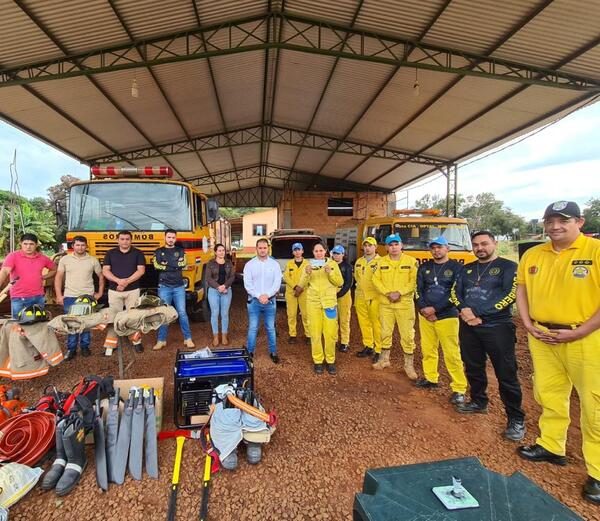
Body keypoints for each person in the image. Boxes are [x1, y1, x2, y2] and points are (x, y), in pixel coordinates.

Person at [515, 201, 600, 504]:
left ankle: (598, 473)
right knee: (548, 393)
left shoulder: (595, 251)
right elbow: (522, 290)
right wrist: (527, 323)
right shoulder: (534, 254)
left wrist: (579, 331)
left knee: (594, 405)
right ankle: (552, 445)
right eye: (549, 221)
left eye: (563, 221)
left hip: (585, 338)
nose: (554, 227)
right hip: (542, 335)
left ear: (580, 221)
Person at [450, 230, 525, 441]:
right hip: (468, 326)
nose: (479, 248)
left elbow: (510, 294)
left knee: (506, 372)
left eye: (484, 244)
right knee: (473, 366)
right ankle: (478, 401)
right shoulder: (467, 269)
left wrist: (479, 313)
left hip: (497, 326)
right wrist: (465, 310)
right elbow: (456, 293)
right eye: (475, 245)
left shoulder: (509, 267)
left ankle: (515, 418)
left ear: (495, 243)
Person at [415, 237, 467, 405]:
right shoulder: (425, 267)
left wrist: (435, 310)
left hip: (447, 316)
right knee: (428, 349)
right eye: (433, 248)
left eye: (439, 247)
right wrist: (424, 309)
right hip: (425, 315)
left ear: (447, 248)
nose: (436, 250)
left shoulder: (457, 268)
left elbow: (456, 293)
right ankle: (431, 378)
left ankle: (459, 388)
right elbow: (418, 289)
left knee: (452, 353)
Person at [371, 234, 418, 379]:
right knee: (385, 332)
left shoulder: (411, 261)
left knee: (407, 335)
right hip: (386, 303)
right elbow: (375, 280)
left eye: (396, 244)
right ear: (386, 247)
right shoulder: (380, 262)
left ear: (401, 245)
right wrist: (387, 293)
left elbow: (414, 281)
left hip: (404, 304)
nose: (393, 247)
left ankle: (408, 365)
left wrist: (399, 293)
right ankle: (384, 360)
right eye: (390, 245)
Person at [54, 236, 104, 360]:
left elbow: (101, 277)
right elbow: (58, 277)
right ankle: (71, 349)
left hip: (87, 297)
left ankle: (85, 347)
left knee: (86, 322)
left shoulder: (93, 260)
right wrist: (59, 295)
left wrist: (100, 293)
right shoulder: (65, 259)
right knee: (71, 323)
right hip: (70, 296)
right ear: (73, 246)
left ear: (86, 246)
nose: (80, 247)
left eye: (82, 245)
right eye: (77, 245)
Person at [299, 242, 343, 374]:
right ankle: (318, 360)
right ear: (313, 253)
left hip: (329, 303)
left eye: (321, 250)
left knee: (330, 334)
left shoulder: (332, 264)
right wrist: (306, 274)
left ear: (325, 251)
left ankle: (330, 361)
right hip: (313, 304)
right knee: (315, 333)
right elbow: (301, 285)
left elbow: (340, 282)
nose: (319, 253)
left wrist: (330, 273)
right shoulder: (307, 265)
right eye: (316, 251)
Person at [102, 231, 146, 355]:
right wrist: (118, 281)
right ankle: (111, 345)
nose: (125, 241)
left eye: (127, 239)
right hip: (114, 291)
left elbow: (141, 271)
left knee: (133, 317)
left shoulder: (138, 253)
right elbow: (105, 271)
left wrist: (126, 282)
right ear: (118, 240)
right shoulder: (110, 253)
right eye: (122, 239)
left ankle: (136, 342)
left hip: (133, 290)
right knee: (114, 317)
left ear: (131, 240)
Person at [152, 229, 195, 351]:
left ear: (176, 239)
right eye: (169, 237)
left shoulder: (180, 250)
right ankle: (161, 340)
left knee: (182, 312)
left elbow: (183, 264)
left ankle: (188, 338)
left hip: (179, 286)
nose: (171, 239)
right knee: (164, 313)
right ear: (165, 237)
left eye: (173, 237)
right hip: (164, 287)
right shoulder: (159, 251)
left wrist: (167, 264)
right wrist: (175, 264)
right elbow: (156, 266)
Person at [243, 238, 282, 363]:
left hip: (270, 301)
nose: (262, 250)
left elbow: (277, 283)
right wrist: (259, 295)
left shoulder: (274, 264)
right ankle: (250, 352)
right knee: (253, 328)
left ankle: (273, 352)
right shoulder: (249, 265)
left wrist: (267, 295)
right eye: (260, 248)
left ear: (268, 249)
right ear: (256, 249)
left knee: (270, 328)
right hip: (254, 301)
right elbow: (248, 284)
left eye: (265, 248)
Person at [0, 233, 56, 319]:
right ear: (21, 244)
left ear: (36, 245)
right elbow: (4, 271)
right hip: (19, 298)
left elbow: (54, 269)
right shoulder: (13, 256)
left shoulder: (42, 258)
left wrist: (43, 277)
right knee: (19, 326)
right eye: (25, 244)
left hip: (38, 297)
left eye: (31, 244)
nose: (28, 247)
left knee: (37, 325)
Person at [354, 237, 381, 361]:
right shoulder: (359, 261)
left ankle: (379, 349)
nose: (367, 248)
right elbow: (357, 277)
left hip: (375, 297)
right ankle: (368, 345)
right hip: (360, 296)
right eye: (365, 246)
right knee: (363, 322)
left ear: (375, 247)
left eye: (370, 245)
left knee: (376, 323)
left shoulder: (381, 262)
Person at [206, 243, 235, 347]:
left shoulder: (229, 263)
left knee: (225, 314)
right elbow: (208, 278)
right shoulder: (210, 263)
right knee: (215, 313)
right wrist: (219, 287)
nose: (221, 252)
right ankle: (215, 336)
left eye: (223, 250)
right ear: (215, 252)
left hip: (227, 291)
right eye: (219, 250)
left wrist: (225, 286)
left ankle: (224, 335)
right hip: (214, 291)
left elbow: (232, 277)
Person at [283, 243, 310, 344]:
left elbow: (309, 277)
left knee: (306, 314)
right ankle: (292, 335)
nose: (297, 251)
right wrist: (295, 287)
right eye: (295, 250)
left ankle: (308, 335)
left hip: (304, 292)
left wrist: (300, 288)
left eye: (299, 249)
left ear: (302, 251)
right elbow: (286, 277)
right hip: (291, 293)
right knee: (291, 314)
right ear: (293, 252)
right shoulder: (289, 263)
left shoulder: (308, 263)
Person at [331, 245, 352, 353]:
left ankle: (345, 342)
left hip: (344, 295)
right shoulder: (330, 265)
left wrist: (339, 294)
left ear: (343, 254)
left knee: (344, 320)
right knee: (333, 320)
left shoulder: (347, 266)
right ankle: (334, 340)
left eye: (338, 253)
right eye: (334, 253)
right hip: (332, 295)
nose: (336, 255)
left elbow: (348, 283)